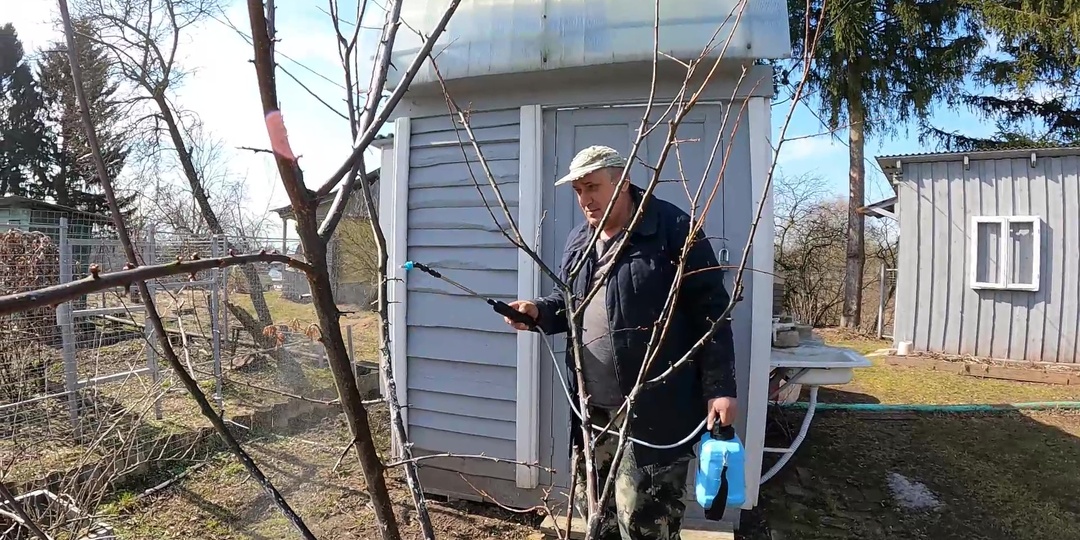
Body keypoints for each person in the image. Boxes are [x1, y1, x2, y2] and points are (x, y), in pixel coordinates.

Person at [503, 145, 738, 540]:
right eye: (578, 191)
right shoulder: (580, 240)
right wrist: (540, 312)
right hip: (593, 413)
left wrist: (720, 388)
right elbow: (572, 303)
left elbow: (711, 313)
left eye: (592, 187)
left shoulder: (675, 231)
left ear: (623, 181)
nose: (585, 200)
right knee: (600, 518)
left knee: (646, 524)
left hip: (655, 412)